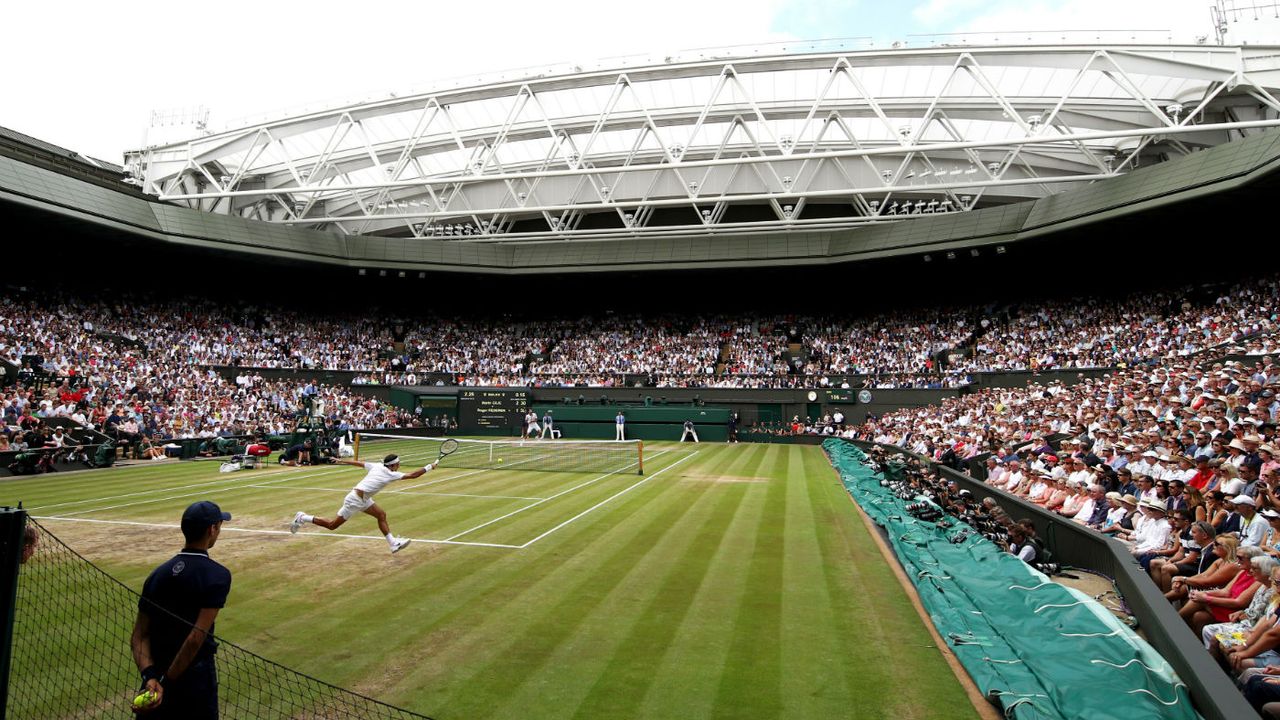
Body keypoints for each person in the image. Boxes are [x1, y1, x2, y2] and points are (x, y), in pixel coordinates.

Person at [130, 501, 233, 719]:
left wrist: (151, 678)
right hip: (193, 679)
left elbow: (139, 636)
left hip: (154, 678)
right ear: (211, 530)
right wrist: (167, 681)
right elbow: (196, 637)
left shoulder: (157, 575)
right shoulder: (218, 576)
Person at [290, 453, 438, 553]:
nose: (399, 466)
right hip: (355, 500)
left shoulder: (378, 466)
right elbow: (413, 475)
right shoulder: (389, 475)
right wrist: (429, 466)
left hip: (363, 499)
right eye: (398, 464)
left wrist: (342, 460)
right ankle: (302, 517)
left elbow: (359, 463)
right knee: (332, 525)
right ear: (392, 465)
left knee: (381, 514)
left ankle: (393, 544)